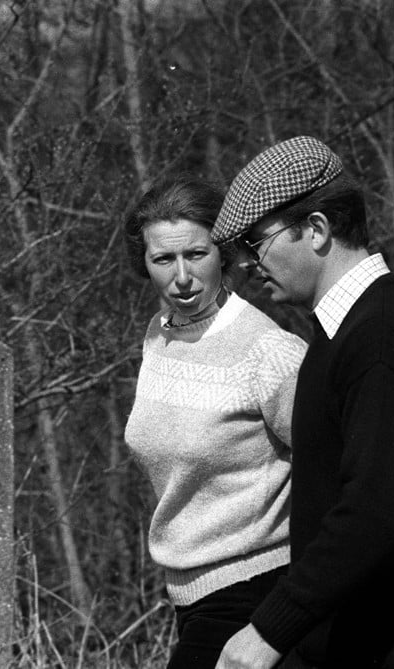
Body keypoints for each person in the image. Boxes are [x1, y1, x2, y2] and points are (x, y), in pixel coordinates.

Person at [210, 136, 394, 668]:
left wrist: (267, 634)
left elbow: (372, 516)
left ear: (316, 229)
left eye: (256, 242)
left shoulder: (383, 340)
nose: (247, 264)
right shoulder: (345, 334)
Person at [122, 177, 308, 669]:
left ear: (223, 253)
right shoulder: (158, 337)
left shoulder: (268, 352)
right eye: (164, 260)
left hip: (255, 591)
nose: (182, 277)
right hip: (186, 595)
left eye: (196, 255)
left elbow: (339, 473)